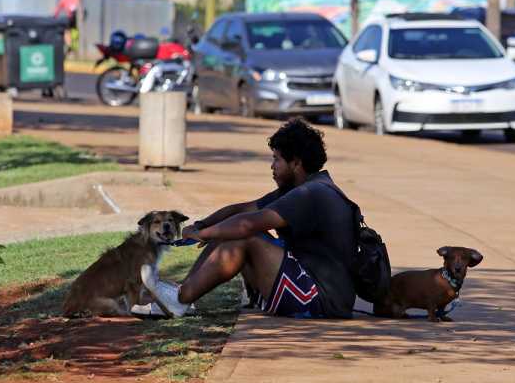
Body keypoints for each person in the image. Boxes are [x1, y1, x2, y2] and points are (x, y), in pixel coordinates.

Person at [137, 118, 358, 319]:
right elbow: (242, 210)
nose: (272, 166)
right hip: (308, 288)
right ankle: (179, 298)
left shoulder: (311, 194)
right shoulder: (301, 187)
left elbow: (245, 225)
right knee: (226, 229)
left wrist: (202, 234)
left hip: (320, 300)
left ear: (296, 163)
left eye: (277, 159)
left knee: (243, 235)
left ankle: (180, 299)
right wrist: (203, 225)